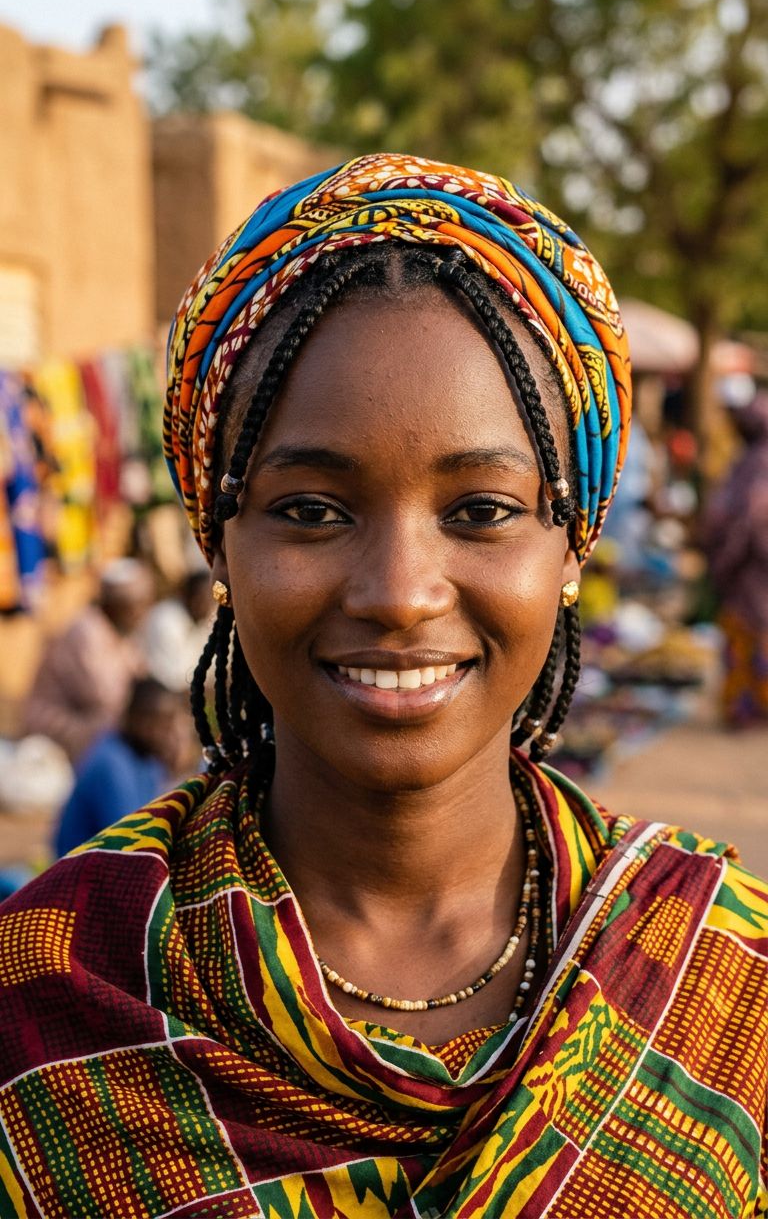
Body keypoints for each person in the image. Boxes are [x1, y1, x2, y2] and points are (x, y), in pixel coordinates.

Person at [0, 155, 765, 1218]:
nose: (401, 593)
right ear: (218, 540)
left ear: (573, 541)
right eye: (311, 511)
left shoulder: (726, 981)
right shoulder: (52, 990)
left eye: (481, 510)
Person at [21, 557, 153, 763]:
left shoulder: (121, 631)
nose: (142, 613)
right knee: (120, 730)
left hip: (85, 720)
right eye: (136, 606)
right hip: (52, 728)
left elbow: (141, 678)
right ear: (113, 605)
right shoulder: (85, 632)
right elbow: (105, 698)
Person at [53, 676, 192, 856]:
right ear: (135, 719)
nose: (166, 733)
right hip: (82, 867)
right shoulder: (111, 763)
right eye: (159, 722)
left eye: (169, 723)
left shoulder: (148, 760)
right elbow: (132, 840)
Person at [701, 391, 768, 727]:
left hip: (750, 571)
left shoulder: (754, 465)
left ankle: (745, 707)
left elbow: (746, 521)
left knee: (747, 634)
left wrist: (724, 560)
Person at [139, 567, 213, 693]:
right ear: (186, 595)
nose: (205, 605)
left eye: (209, 600)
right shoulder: (165, 619)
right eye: (200, 598)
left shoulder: (203, 620)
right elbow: (171, 681)